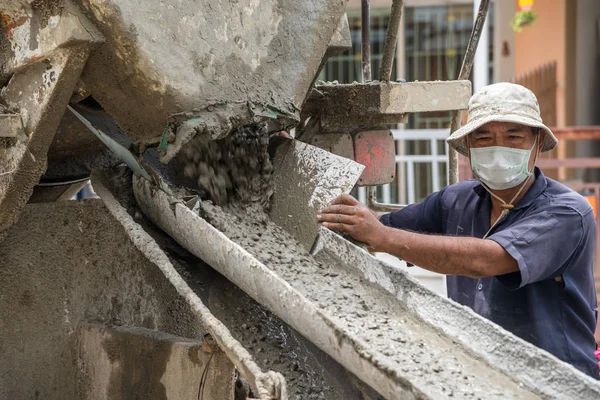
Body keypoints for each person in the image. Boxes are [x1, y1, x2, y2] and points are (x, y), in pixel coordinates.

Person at [316, 82, 599, 378]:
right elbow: (377, 229)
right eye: (484, 138)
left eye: (513, 137)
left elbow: (486, 259)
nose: (498, 147)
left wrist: (383, 238)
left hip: (557, 380)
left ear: (537, 143)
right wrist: (350, 221)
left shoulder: (568, 212)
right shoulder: (455, 200)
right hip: (479, 375)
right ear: (469, 147)